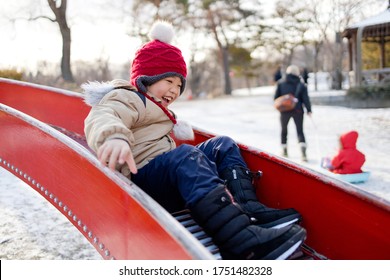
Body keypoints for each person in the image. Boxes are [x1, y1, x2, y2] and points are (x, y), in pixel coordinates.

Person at [82, 21, 306, 260]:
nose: (174, 90)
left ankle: (248, 209)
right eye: (168, 81)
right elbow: (102, 116)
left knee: (222, 144)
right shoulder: (126, 97)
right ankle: (241, 242)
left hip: (166, 173)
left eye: (179, 85)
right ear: (146, 78)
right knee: (186, 155)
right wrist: (114, 137)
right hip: (143, 180)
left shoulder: (157, 109)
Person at [274, 65, 312, 161]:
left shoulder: (280, 83)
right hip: (298, 110)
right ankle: (303, 153)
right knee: (300, 131)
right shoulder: (301, 84)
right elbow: (305, 98)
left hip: (284, 111)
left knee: (284, 130)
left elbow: (275, 98)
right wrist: (309, 110)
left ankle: (284, 150)